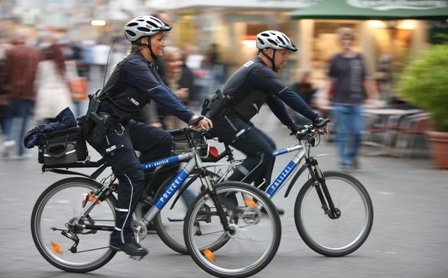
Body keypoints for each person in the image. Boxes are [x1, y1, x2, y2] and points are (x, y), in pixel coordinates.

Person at [82, 15, 212, 258]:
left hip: (121, 123)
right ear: (144, 41)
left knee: (163, 140)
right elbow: (157, 92)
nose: (164, 43)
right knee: (132, 177)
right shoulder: (134, 65)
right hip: (105, 127)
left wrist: (189, 117)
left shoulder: (148, 64)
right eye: (160, 39)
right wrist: (190, 118)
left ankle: (142, 194)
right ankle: (120, 236)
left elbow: (163, 92)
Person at [203, 30, 326, 214]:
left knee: (270, 146)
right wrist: (315, 117)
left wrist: (292, 126)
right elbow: (287, 95)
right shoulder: (259, 70)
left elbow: (275, 101)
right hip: (224, 119)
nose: (286, 58)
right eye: (283, 53)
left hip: (232, 118)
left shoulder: (261, 70)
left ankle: (260, 201)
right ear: (269, 51)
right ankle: (225, 192)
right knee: (262, 152)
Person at [320, 27, 379, 170]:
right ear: (340, 41)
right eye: (344, 38)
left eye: (349, 38)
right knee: (342, 133)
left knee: (358, 132)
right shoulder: (335, 59)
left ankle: (352, 156)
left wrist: (374, 96)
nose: (346, 41)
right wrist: (323, 96)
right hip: (339, 102)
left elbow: (367, 79)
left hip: (356, 102)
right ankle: (345, 162)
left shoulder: (359, 58)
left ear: (353, 41)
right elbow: (329, 80)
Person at [0, 29, 41, 159]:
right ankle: (20, 150)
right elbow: (37, 73)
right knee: (23, 121)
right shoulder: (35, 52)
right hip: (28, 92)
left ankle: (8, 142)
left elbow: (6, 72)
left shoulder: (11, 52)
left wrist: (4, 87)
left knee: (9, 117)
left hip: (12, 91)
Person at [34, 40, 74, 124]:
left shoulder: (43, 65)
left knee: (47, 123)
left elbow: (37, 82)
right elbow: (70, 80)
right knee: (59, 123)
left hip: (45, 96)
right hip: (60, 96)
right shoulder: (64, 65)